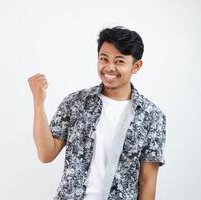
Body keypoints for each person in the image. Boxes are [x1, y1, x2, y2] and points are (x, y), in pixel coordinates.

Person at [27, 26, 166, 200]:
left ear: (136, 66)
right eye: (104, 59)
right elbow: (46, 154)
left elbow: (147, 181)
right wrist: (38, 102)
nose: (109, 67)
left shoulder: (152, 116)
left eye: (119, 61)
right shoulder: (75, 102)